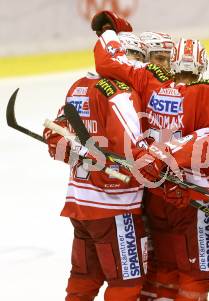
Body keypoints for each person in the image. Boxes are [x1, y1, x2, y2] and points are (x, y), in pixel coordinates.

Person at [90, 10, 209, 301]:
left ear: (172, 62)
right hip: (194, 202)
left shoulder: (147, 79)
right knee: (196, 276)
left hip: (153, 194)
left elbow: (107, 60)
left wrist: (110, 32)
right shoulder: (207, 94)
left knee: (162, 268)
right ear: (202, 65)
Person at [43, 30, 150, 301]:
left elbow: (55, 140)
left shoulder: (78, 86)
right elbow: (130, 155)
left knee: (84, 279)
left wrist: (79, 152)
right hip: (114, 209)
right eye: (136, 59)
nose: (138, 67)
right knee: (126, 284)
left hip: (80, 203)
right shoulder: (120, 93)